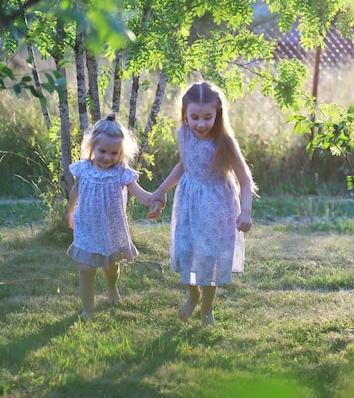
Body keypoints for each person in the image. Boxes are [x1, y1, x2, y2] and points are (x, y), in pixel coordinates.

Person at [149, 81, 258, 326]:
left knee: (209, 257)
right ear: (185, 114)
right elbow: (184, 165)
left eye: (207, 117)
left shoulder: (224, 142)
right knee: (186, 250)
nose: (200, 123)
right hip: (189, 202)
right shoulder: (183, 134)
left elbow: (244, 178)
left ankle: (206, 308)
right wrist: (161, 190)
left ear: (218, 114)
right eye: (194, 117)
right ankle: (193, 295)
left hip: (217, 205)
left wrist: (246, 212)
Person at [67, 113, 159, 319]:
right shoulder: (83, 169)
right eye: (102, 151)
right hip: (87, 226)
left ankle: (111, 288)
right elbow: (75, 191)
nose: (107, 157)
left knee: (110, 266)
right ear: (92, 147)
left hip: (111, 228)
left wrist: (153, 198)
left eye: (113, 153)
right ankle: (87, 309)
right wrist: (70, 210)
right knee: (86, 269)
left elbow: (140, 193)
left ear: (121, 153)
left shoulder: (121, 172)